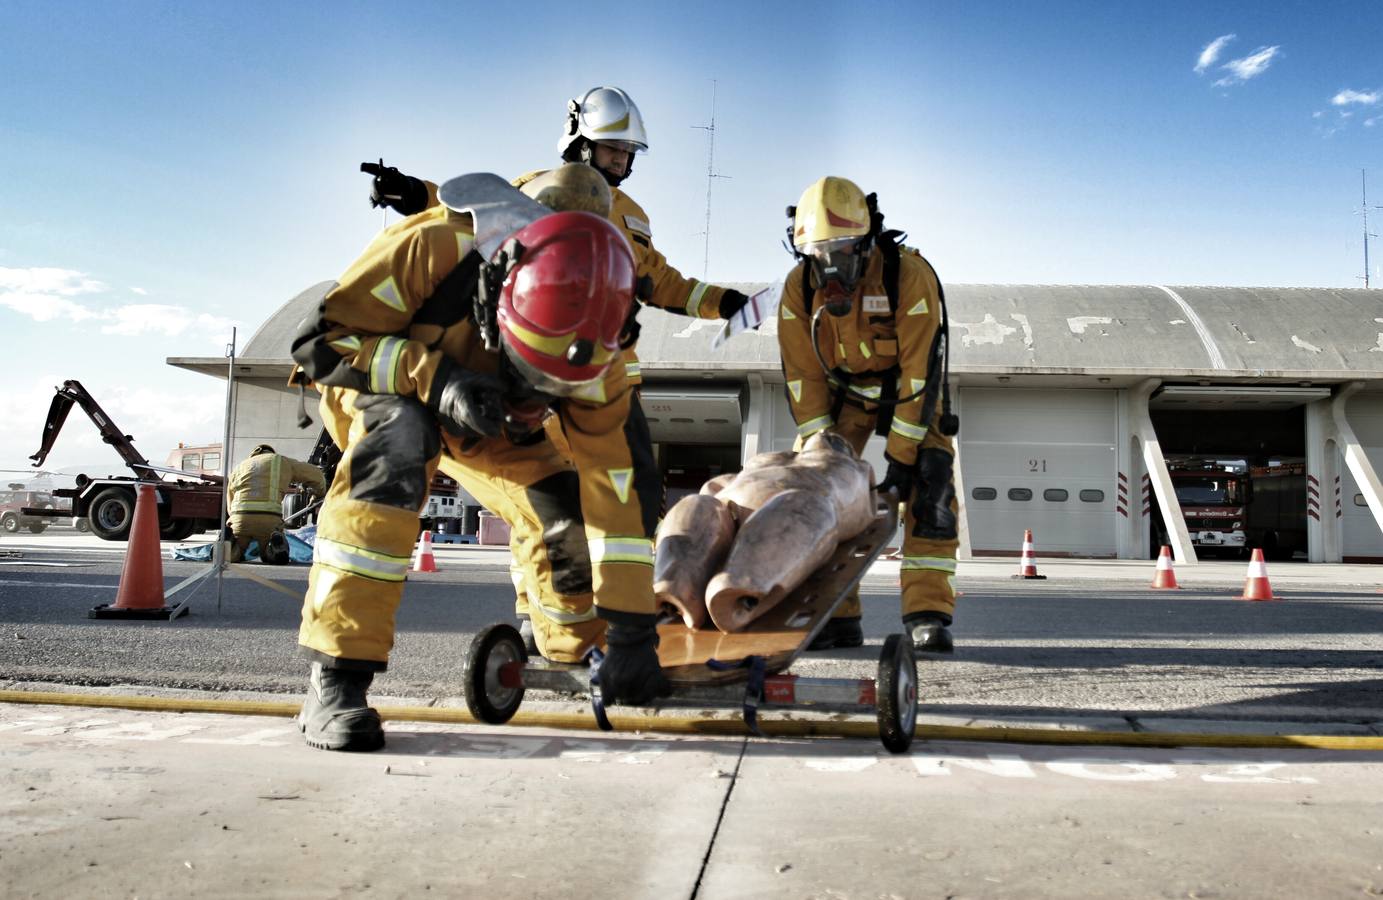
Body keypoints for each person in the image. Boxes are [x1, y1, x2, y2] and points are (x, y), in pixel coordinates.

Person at [289, 172, 669, 752]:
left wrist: (632, 632)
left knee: (564, 513)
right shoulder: (434, 247)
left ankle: (568, 642)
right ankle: (336, 678)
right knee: (399, 444)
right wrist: (439, 380)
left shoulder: (599, 347)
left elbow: (614, 494)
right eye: (530, 371)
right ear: (501, 297)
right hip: (384, 384)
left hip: (487, 416)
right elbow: (323, 343)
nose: (538, 397)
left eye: (554, 389)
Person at [364, 86, 752, 650]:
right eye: (612, 149)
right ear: (579, 140)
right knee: (545, 498)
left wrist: (723, 302)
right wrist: (413, 193)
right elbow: (472, 214)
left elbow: (662, 281)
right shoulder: (534, 188)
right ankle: (537, 613)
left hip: (607, 377)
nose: (623, 161)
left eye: (628, 152)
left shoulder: (632, 216)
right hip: (536, 372)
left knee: (632, 500)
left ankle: (628, 613)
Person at [776, 176, 960, 654]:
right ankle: (836, 616)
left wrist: (901, 458)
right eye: (819, 254)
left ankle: (927, 614)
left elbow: (922, 372)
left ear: (867, 240)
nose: (830, 267)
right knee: (817, 498)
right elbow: (802, 378)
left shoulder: (908, 276)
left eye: (842, 251)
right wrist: (823, 454)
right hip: (844, 397)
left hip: (910, 393)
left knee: (932, 489)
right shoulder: (799, 289)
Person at [226, 444, 325, 563]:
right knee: (267, 555)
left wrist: (232, 521)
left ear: (253, 455)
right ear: (271, 453)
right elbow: (317, 475)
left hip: (240, 517)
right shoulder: (282, 462)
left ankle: (230, 545)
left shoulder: (239, 467)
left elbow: (230, 501)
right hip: (269, 518)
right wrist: (317, 494)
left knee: (235, 556)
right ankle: (276, 546)